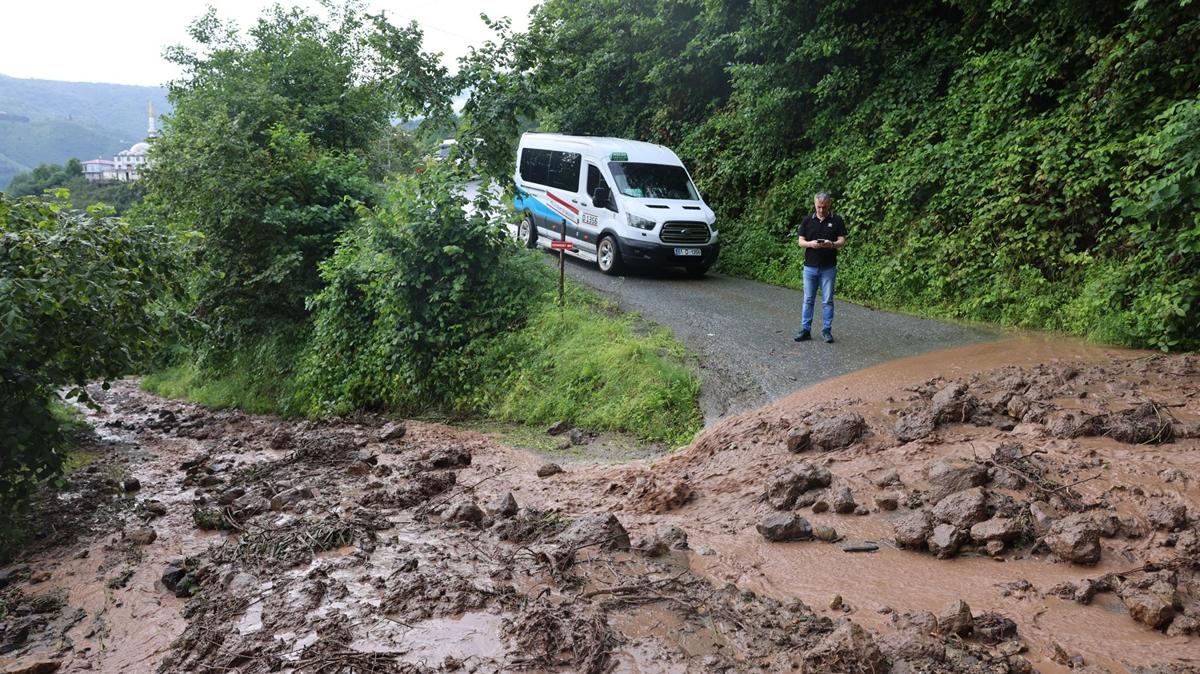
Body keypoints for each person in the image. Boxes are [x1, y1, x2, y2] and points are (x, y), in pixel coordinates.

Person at [793, 191, 847, 343]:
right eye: (818, 207)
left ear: (829, 205)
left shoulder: (836, 220)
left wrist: (832, 244)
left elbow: (842, 240)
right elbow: (800, 241)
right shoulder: (807, 220)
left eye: (824, 207)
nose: (821, 210)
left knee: (827, 300)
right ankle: (805, 329)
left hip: (828, 267)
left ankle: (826, 330)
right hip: (810, 267)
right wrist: (811, 244)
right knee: (808, 299)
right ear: (814, 205)